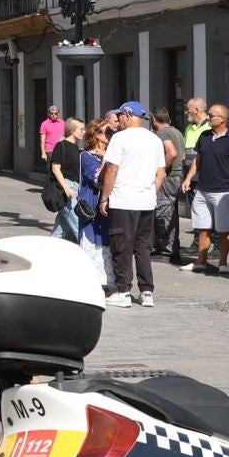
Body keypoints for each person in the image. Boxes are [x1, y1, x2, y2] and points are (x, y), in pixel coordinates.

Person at [98, 102, 164, 307]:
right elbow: (161, 173)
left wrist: (104, 197)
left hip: (124, 200)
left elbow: (112, 170)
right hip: (146, 202)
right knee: (143, 247)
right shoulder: (154, 139)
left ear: (127, 116)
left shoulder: (120, 138)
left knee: (122, 246)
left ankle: (124, 292)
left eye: (120, 117)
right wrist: (150, 193)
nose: (119, 120)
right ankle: (146, 292)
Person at [182, 104, 229, 274]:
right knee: (203, 227)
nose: (208, 118)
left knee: (225, 229)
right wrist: (188, 178)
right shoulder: (204, 136)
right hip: (202, 189)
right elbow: (197, 161)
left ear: (222, 119)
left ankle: (223, 263)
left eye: (211, 115)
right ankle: (201, 261)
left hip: (223, 191)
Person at [77, 124, 114, 296]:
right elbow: (98, 179)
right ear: (95, 135)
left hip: (108, 208)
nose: (108, 135)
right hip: (92, 207)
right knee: (91, 244)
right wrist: (106, 159)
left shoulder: (111, 155)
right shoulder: (86, 156)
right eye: (104, 132)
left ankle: (107, 281)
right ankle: (92, 281)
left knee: (105, 244)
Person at [151, 108, 188, 262]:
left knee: (164, 212)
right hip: (177, 176)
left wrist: (161, 168)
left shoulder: (162, 134)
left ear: (154, 120)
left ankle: (167, 251)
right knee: (170, 213)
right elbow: (183, 154)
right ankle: (171, 248)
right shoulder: (177, 132)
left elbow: (172, 153)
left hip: (169, 177)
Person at [48, 118, 86, 242]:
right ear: (72, 130)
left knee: (60, 229)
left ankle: (48, 252)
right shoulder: (62, 145)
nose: (83, 132)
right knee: (77, 224)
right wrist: (66, 188)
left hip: (75, 188)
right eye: (81, 129)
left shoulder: (76, 148)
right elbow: (55, 168)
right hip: (68, 188)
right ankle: (89, 255)